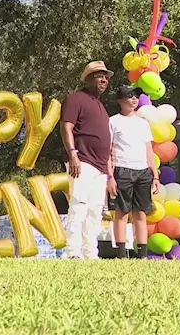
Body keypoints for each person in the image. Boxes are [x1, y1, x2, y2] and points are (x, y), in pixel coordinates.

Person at [60, 61, 114, 259]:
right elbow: (66, 127)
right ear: (89, 78)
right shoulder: (75, 99)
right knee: (79, 205)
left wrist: (109, 172)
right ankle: (73, 252)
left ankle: (91, 253)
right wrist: (73, 153)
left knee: (95, 210)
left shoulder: (100, 105)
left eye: (106, 77)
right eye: (100, 76)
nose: (104, 80)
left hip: (100, 167)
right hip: (82, 160)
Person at [107, 86, 160, 259]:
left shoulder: (143, 122)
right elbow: (108, 151)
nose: (134, 99)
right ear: (120, 100)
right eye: (129, 96)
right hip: (122, 169)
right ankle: (122, 254)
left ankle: (142, 255)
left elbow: (149, 150)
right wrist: (110, 177)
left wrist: (155, 175)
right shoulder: (112, 121)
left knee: (140, 213)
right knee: (121, 213)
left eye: (136, 96)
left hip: (142, 171)